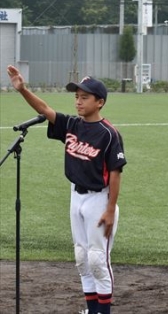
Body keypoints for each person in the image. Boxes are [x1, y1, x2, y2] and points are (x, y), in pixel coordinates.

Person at [7, 65, 126, 314]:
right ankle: (91, 310)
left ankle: (102, 313)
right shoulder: (72, 124)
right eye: (76, 97)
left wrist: (111, 209)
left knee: (97, 260)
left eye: (84, 97)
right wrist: (23, 90)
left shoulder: (109, 134)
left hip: (99, 200)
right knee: (82, 258)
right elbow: (44, 110)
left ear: (100, 102)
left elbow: (115, 173)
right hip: (76, 196)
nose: (78, 102)